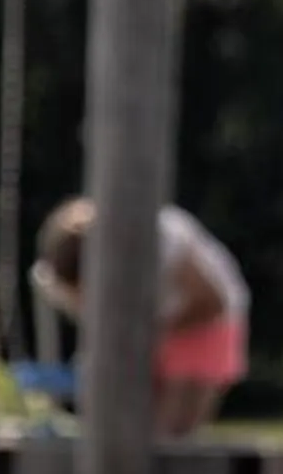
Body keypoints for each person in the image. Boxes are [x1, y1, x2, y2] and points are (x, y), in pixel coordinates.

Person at [34, 196, 250, 460]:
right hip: (146, 327)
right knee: (122, 421)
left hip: (202, 321)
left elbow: (212, 303)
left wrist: (149, 333)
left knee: (172, 432)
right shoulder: (58, 277)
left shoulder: (163, 240)